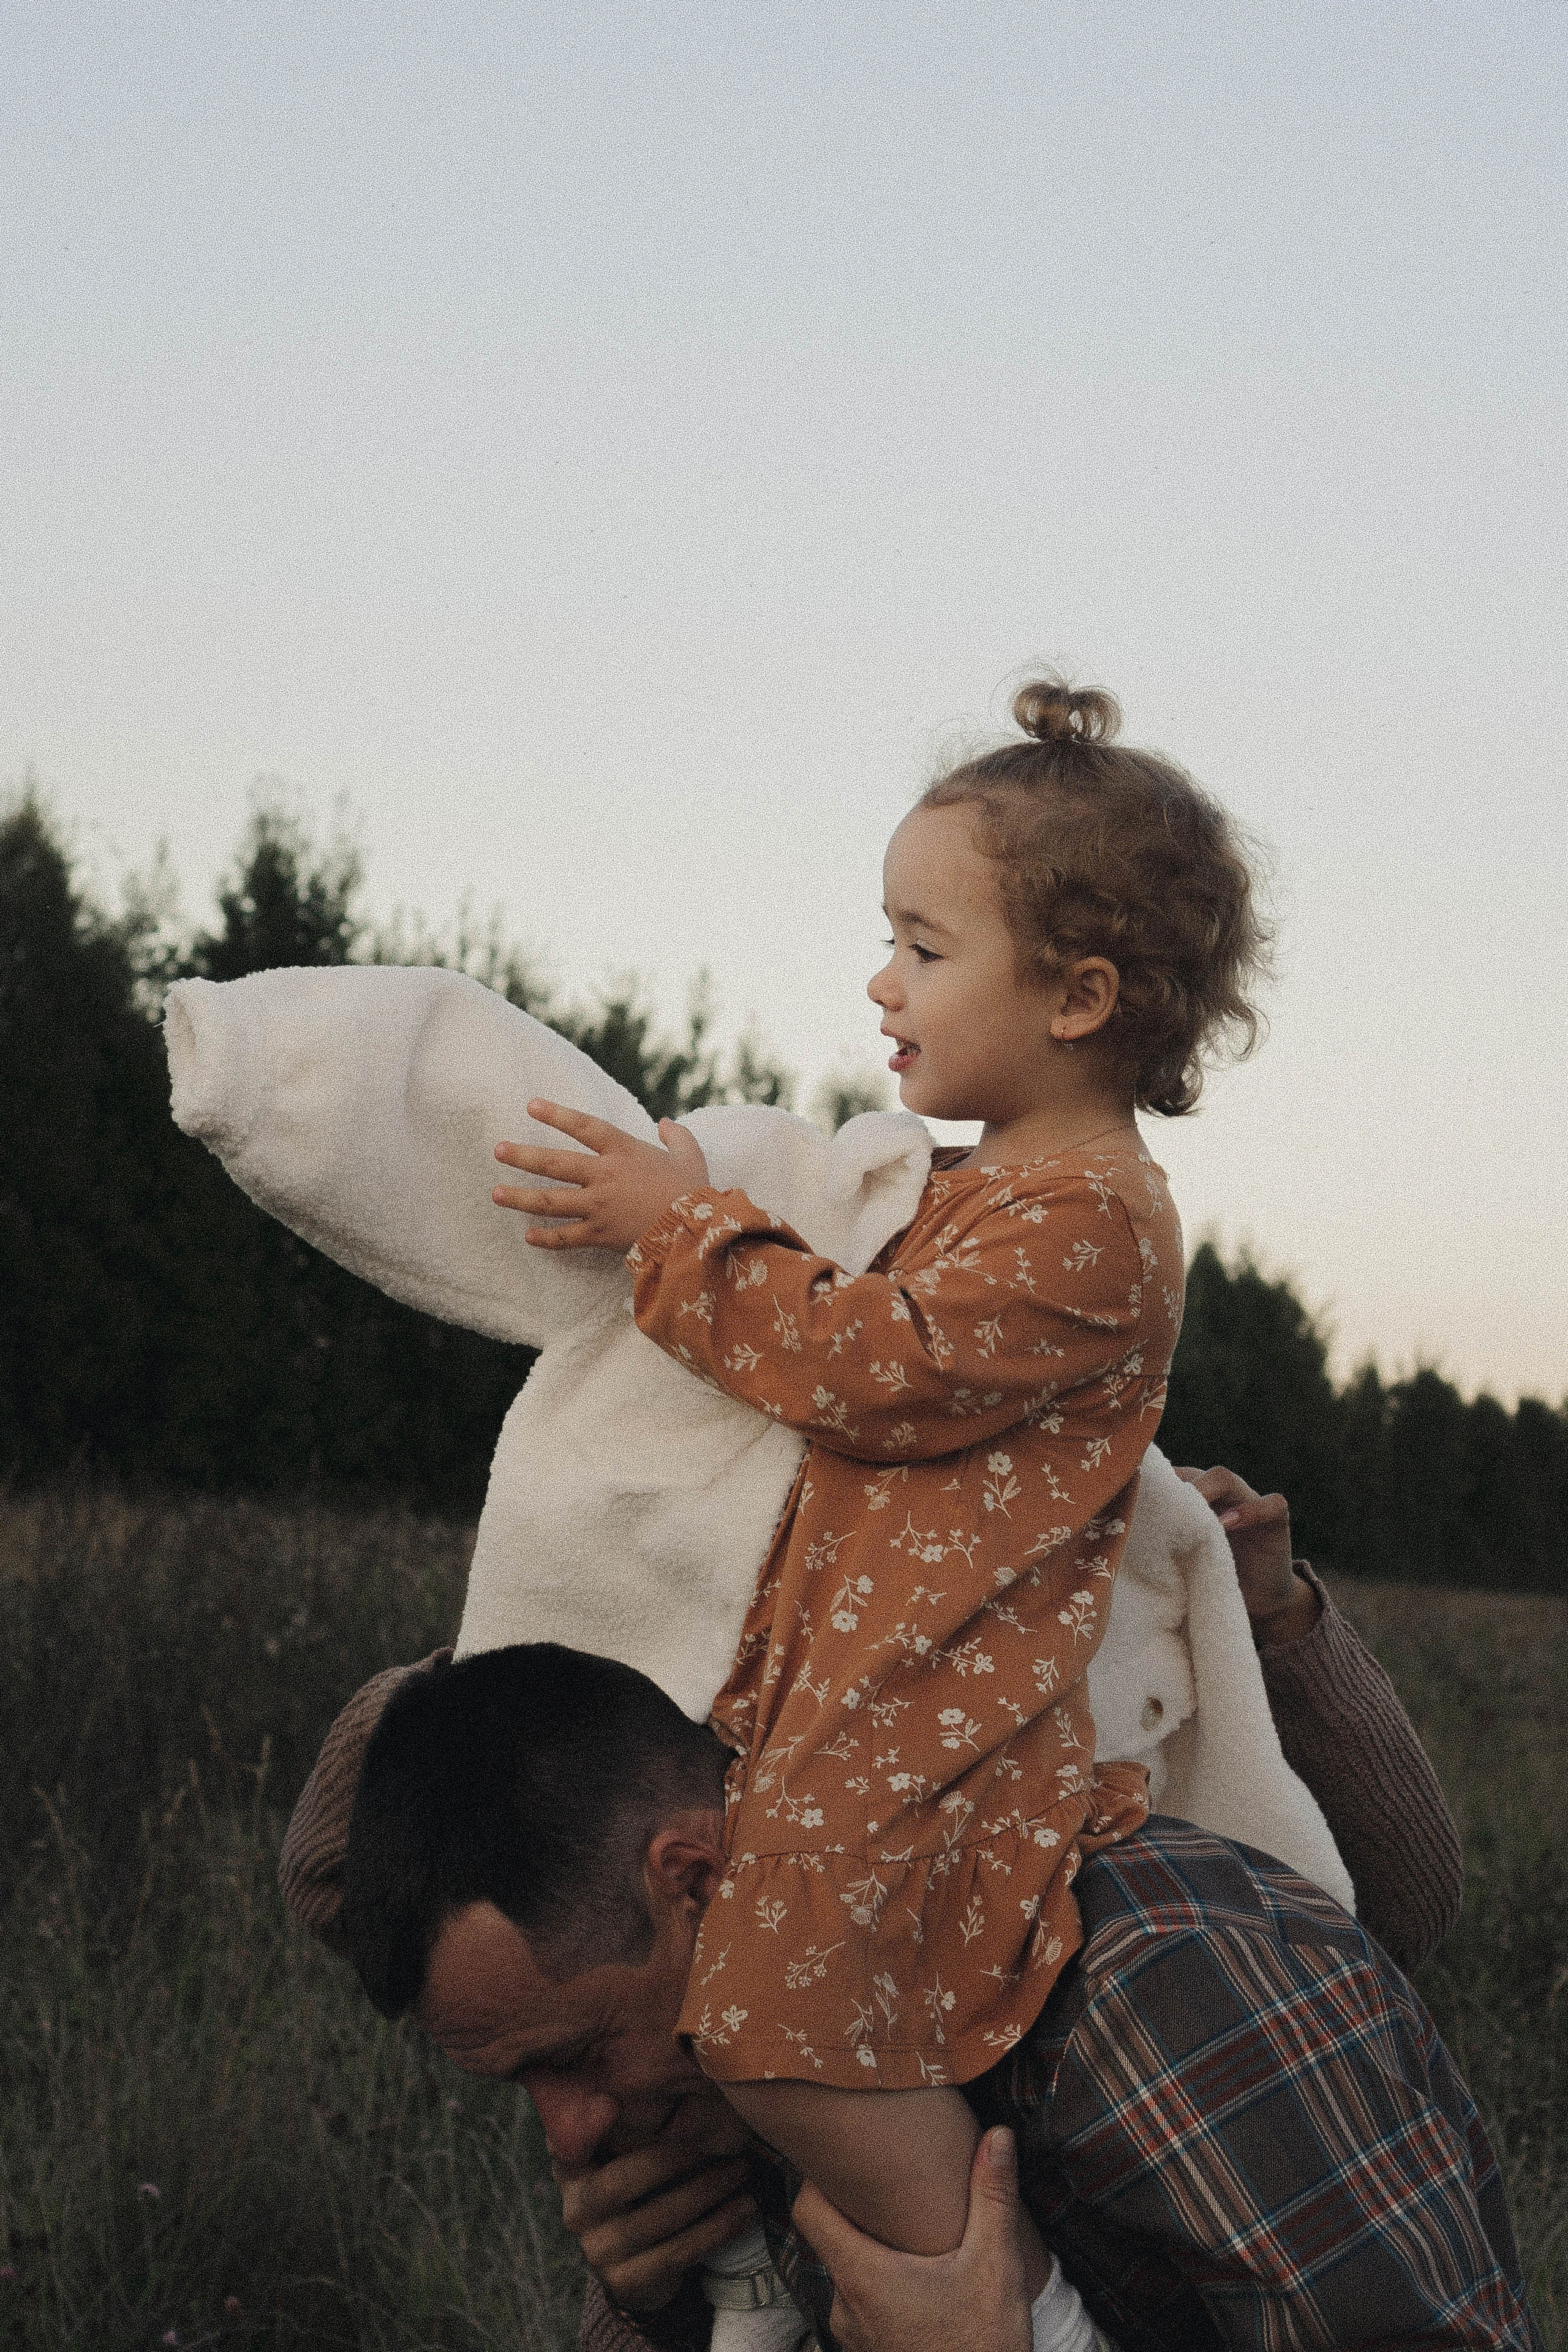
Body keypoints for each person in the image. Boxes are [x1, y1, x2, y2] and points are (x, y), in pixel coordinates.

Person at [483, 680, 1266, 2343]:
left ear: (1077, 996)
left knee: (779, 2039)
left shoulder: (1098, 1222)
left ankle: (1015, 2313)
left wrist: (674, 1227)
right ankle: (780, 2282)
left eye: (923, 946)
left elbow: (869, 1365)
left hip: (929, 1745)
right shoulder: (987, 1192)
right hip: (845, 1715)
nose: (880, 980)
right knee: (747, 2029)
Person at [281, 1473, 1540, 2350]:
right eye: (522, 2085)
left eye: (568, 2058)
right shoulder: (728, 2059)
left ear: (697, 1879)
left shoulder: (1154, 1987)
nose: (570, 2137)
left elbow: (1407, 1890)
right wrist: (655, 2308)